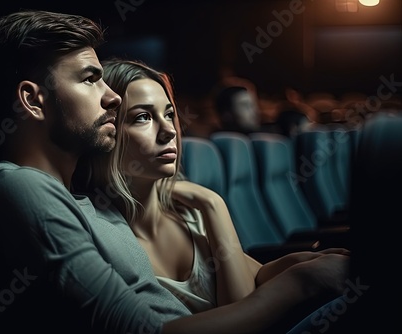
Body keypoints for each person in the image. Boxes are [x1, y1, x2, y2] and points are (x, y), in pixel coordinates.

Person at [0, 9, 349, 334]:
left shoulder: (82, 201)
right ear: (32, 100)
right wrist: (301, 282)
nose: (112, 97)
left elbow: (242, 279)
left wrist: (301, 264)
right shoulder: (24, 188)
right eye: (90, 79)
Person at [76, 58, 351, 331]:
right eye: (143, 117)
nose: (170, 130)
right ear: (105, 131)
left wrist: (297, 261)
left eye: (169, 114)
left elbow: (249, 276)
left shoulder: (185, 212)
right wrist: (214, 205)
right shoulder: (101, 237)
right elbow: (248, 310)